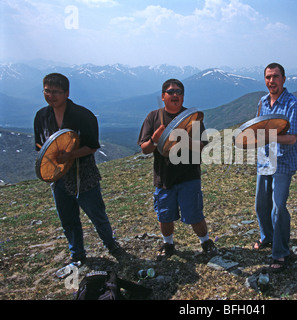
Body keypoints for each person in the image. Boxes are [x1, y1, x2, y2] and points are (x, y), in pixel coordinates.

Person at [34, 73, 125, 266]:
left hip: (84, 175)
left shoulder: (83, 116)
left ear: (66, 93)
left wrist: (70, 156)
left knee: (97, 214)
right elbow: (40, 146)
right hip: (58, 177)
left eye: (56, 92)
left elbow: (92, 146)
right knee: (68, 218)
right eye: (47, 91)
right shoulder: (42, 116)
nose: (50, 95)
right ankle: (77, 253)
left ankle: (111, 245)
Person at [137, 79, 217, 259]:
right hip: (164, 177)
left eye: (179, 92)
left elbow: (201, 146)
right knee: (164, 215)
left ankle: (205, 241)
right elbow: (144, 148)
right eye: (171, 92)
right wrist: (156, 139)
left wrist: (183, 139)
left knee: (195, 214)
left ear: (183, 96)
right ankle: (168, 244)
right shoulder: (153, 117)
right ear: (163, 96)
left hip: (189, 175)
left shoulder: (192, 118)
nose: (175, 95)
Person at [253, 63, 297, 272]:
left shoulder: (292, 104)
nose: (271, 81)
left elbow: (292, 138)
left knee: (278, 207)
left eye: (275, 77)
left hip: (283, 161)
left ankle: (280, 252)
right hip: (265, 159)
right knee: (261, 205)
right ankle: (268, 237)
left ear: (284, 79)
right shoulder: (263, 102)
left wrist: (267, 136)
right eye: (268, 77)